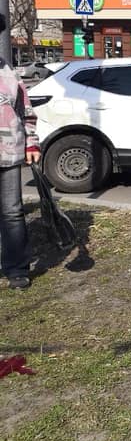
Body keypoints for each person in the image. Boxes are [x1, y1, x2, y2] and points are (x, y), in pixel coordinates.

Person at [0, 57, 40, 290]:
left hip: (8, 153)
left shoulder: (8, 72)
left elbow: (26, 112)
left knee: (12, 212)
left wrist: (31, 143)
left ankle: (17, 269)